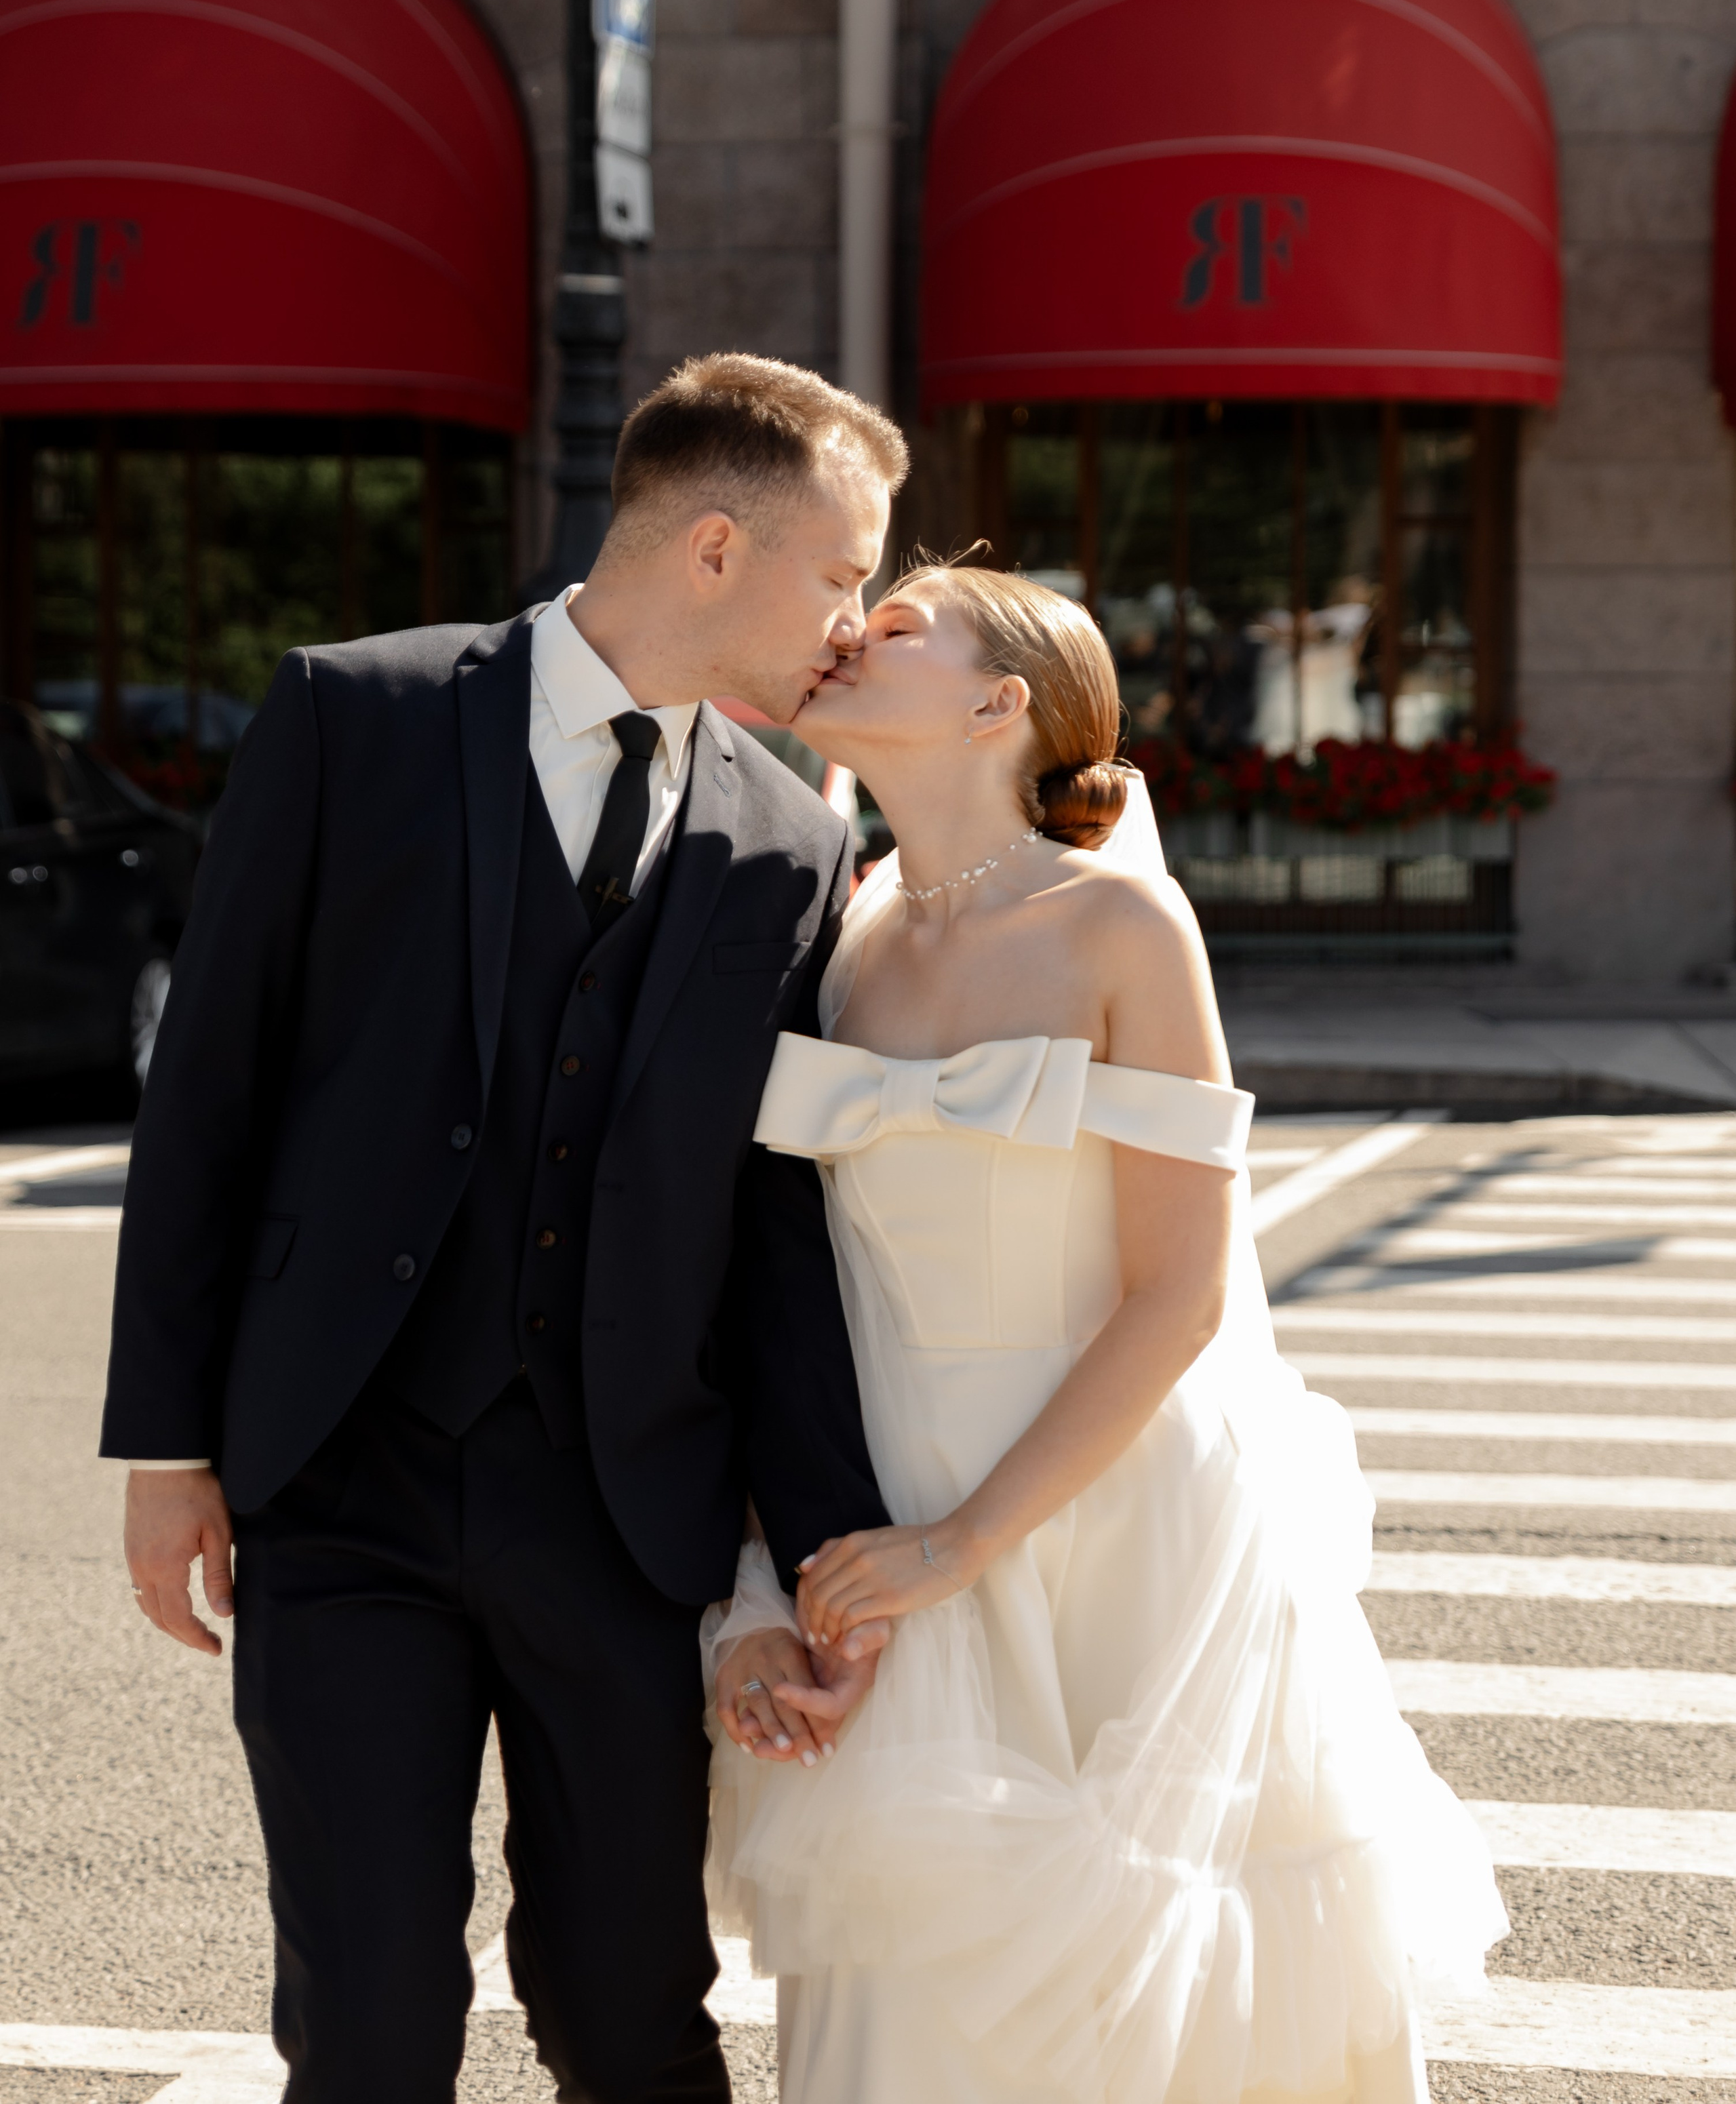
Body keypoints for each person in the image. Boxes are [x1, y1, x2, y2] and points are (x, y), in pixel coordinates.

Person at [100, 354, 909, 2104]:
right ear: (714, 549)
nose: (853, 630)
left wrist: (820, 1550)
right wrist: (167, 1445)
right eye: (841, 578)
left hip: (621, 1518)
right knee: (371, 2015)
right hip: (342, 1488)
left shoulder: (788, 839)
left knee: (629, 2009)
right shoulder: (353, 716)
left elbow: (772, 1233)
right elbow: (209, 1097)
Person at [702, 561, 1507, 2104]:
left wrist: (967, 1538)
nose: (846, 635)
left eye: (894, 626)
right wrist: (781, 1560)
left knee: (1172, 1994)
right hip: (890, 1504)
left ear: (998, 702)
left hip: (1112, 1506)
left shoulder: (1123, 925)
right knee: (911, 1999)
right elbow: (785, 1294)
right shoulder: (839, 925)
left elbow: (1181, 1292)